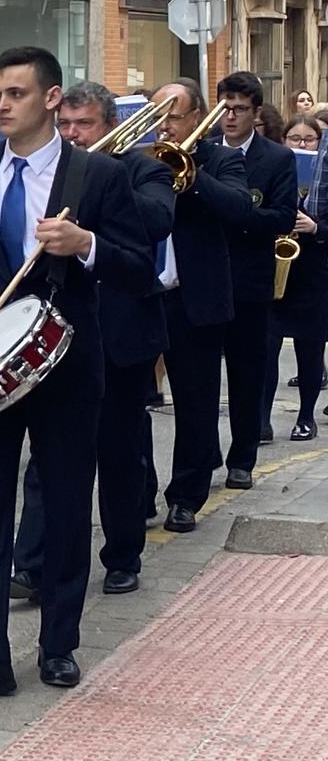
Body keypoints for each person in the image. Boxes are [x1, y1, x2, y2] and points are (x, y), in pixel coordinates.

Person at [0, 47, 147, 697]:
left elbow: (140, 266)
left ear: (51, 100)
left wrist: (88, 246)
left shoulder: (96, 176)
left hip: (68, 364)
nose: (0, 104)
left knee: (67, 504)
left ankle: (57, 646)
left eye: (15, 93)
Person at [11, 81, 176, 598]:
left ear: (110, 124)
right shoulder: (50, 168)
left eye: (84, 125)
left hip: (124, 331)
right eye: (65, 125)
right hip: (61, 331)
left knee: (121, 450)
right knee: (48, 452)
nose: (73, 134)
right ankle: (33, 563)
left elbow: (154, 221)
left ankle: (123, 554)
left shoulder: (142, 167)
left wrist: (100, 190)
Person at [152, 80, 253, 533]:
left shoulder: (222, 158)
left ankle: (186, 496)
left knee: (195, 404)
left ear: (197, 119)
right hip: (142, 297)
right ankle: (136, 495)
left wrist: (191, 173)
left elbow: (237, 208)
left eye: (173, 115)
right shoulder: (136, 159)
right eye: (157, 114)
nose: (164, 124)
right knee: (129, 405)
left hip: (194, 300)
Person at [213, 70, 298, 486]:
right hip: (207, 279)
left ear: (256, 112)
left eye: (240, 109)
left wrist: (236, 214)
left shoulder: (276, 158)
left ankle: (242, 457)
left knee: (247, 373)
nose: (230, 117)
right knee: (203, 377)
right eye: (225, 108)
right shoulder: (203, 153)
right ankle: (204, 452)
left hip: (250, 281)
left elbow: (281, 217)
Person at [272, 115, 328, 440]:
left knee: (309, 347)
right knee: (267, 348)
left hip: (314, 272)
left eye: (309, 139)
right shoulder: (274, 170)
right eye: (295, 138)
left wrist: (316, 227)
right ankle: (260, 419)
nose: (302, 144)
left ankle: (306, 416)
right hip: (277, 270)